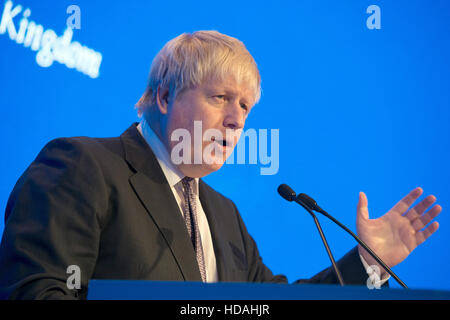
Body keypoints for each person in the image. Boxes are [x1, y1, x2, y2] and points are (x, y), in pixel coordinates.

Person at [0, 31, 442, 300]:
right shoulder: (84, 167)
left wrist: (368, 262)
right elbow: (36, 293)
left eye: (246, 107)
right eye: (221, 98)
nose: (237, 119)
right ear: (165, 96)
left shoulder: (224, 215)